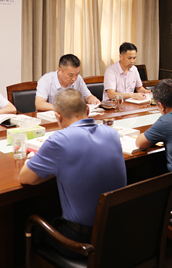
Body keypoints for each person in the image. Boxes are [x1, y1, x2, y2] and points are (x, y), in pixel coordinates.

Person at [20, 89, 126, 257]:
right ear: (88, 110)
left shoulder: (59, 140)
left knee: (30, 226)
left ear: (58, 116)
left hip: (81, 241)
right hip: (116, 231)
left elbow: (26, 178)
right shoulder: (112, 133)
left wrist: (53, 165)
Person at [35, 54, 101, 112]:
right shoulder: (46, 80)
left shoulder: (78, 79)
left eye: (77, 74)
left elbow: (88, 97)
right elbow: (39, 104)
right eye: (70, 75)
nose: (74, 78)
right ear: (59, 70)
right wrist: (63, 109)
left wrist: (94, 100)